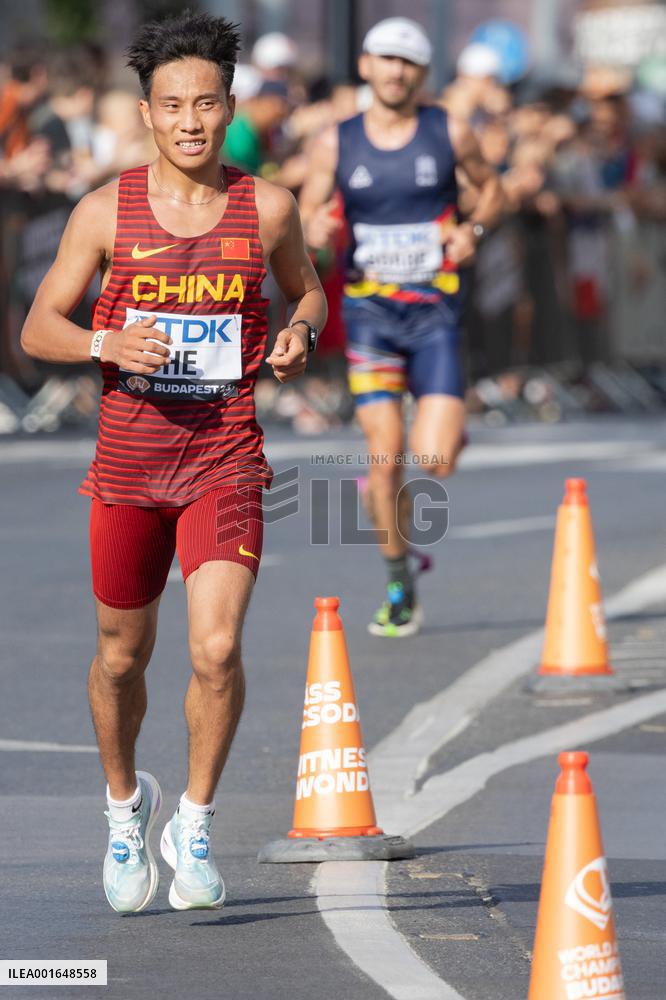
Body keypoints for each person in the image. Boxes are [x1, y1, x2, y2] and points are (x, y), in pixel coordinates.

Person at [20, 11, 327, 913]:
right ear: (147, 114)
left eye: (207, 104)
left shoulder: (266, 206)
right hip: (126, 468)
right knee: (121, 658)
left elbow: (307, 289)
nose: (191, 121)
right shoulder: (101, 211)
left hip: (224, 457)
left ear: (229, 108)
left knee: (217, 646)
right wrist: (106, 341)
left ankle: (192, 821)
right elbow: (38, 326)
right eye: (172, 105)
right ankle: (125, 808)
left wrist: (300, 332)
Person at [300, 17, 503, 637]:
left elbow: (491, 191)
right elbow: (307, 209)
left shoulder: (448, 130)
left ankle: (439, 442)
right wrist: (316, 230)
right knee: (384, 458)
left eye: (407, 62)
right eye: (385, 59)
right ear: (365, 66)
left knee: (434, 460)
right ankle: (398, 579)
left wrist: (472, 231)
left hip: (434, 314)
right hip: (371, 316)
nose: (395, 70)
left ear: (422, 74)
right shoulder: (336, 142)